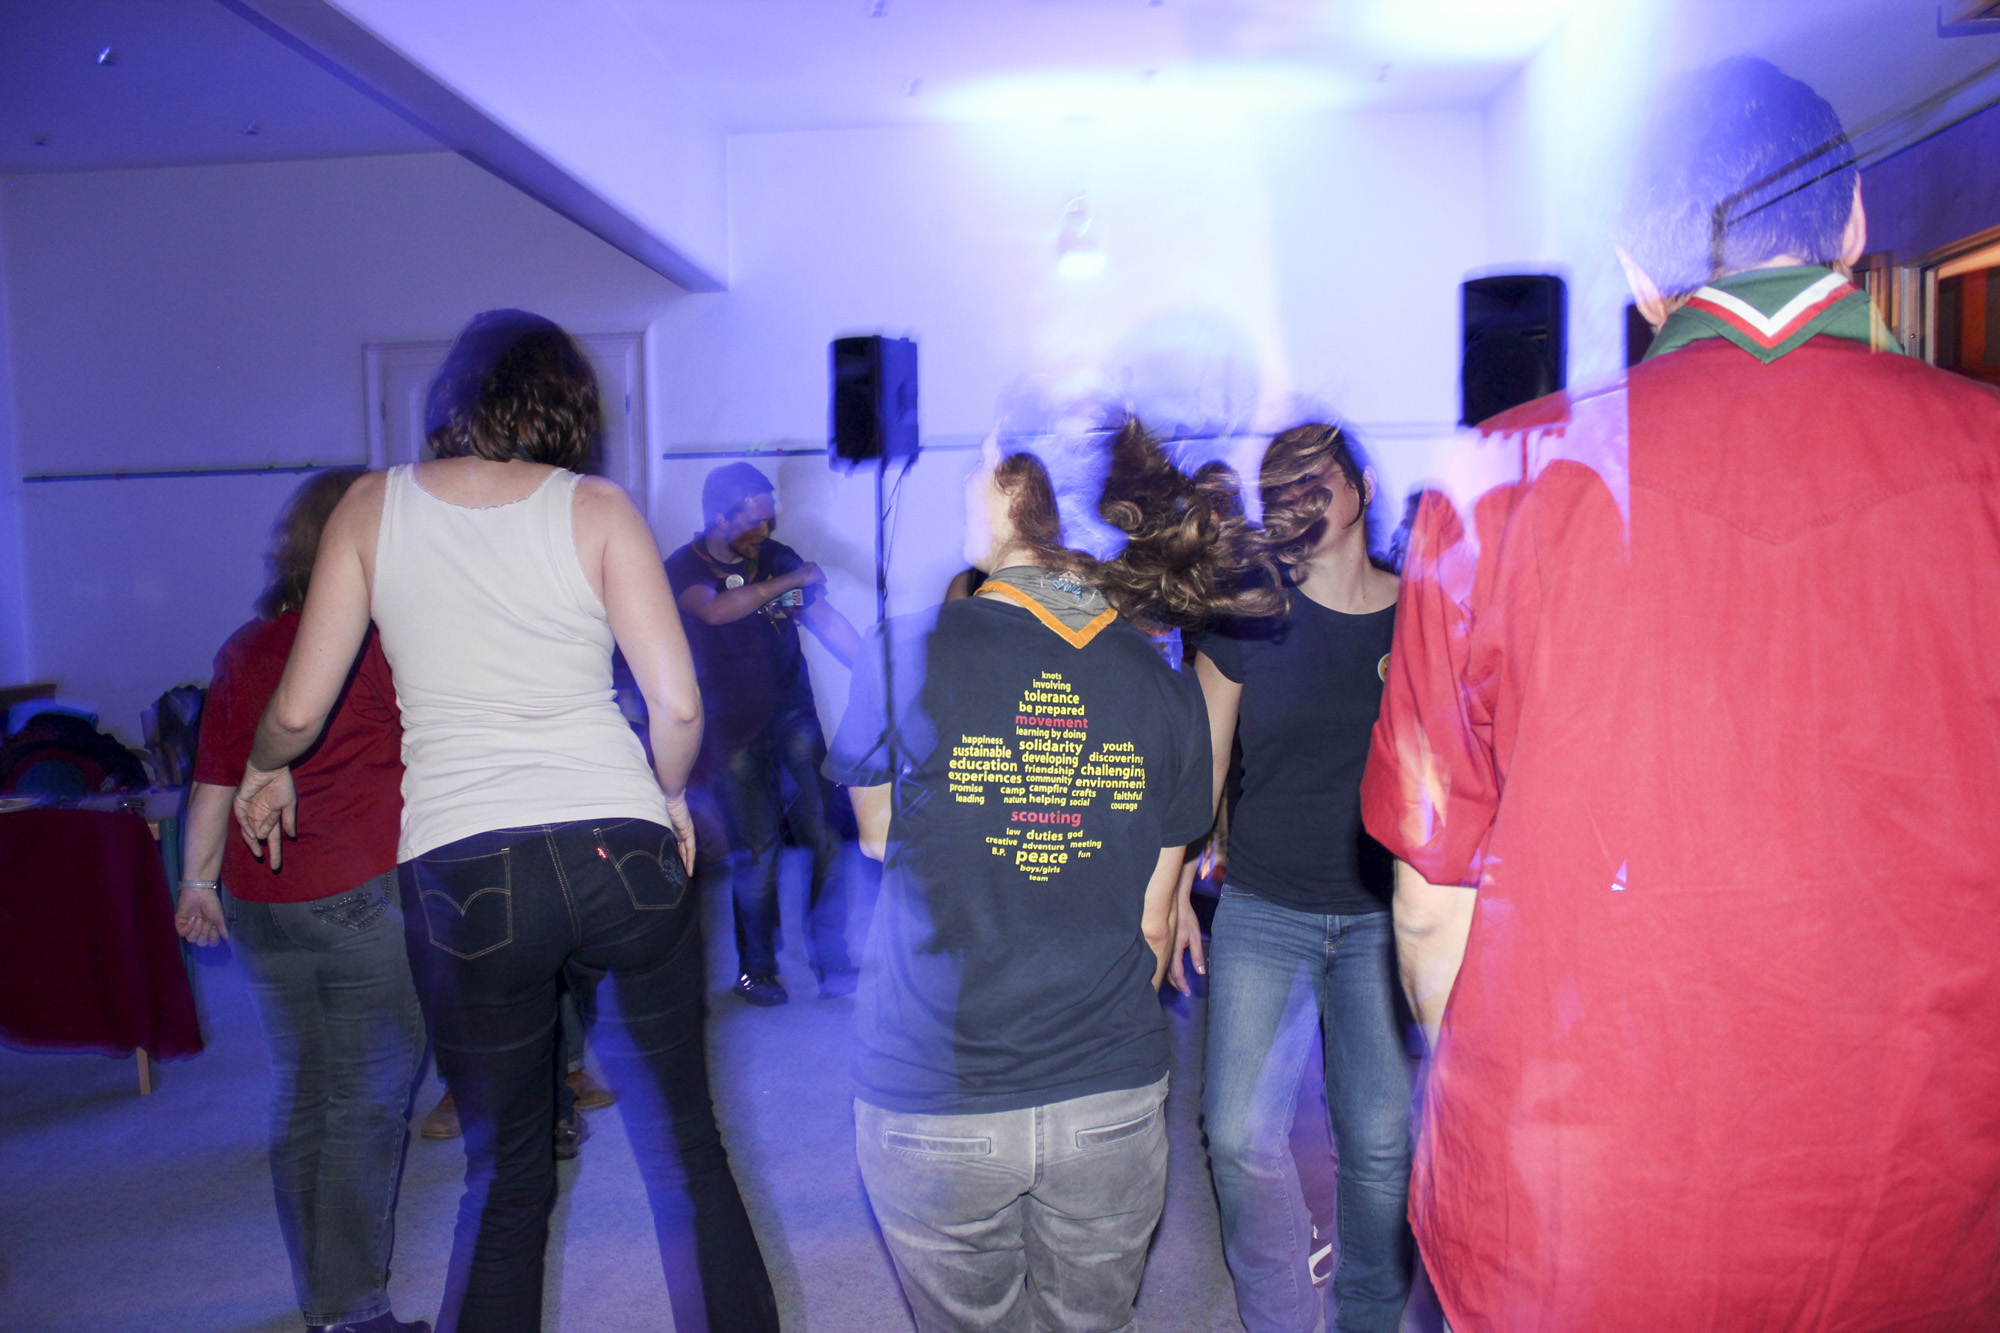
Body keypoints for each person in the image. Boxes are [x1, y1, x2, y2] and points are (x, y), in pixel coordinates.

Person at [1360, 59, 2000, 1331]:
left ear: (1635, 268)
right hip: (1922, 1205)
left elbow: (1430, 907)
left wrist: (1474, 1078)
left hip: (1585, 1222)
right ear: (1853, 221)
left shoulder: (1494, 485)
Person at [233, 310, 779, 1333]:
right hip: (620, 845)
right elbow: (676, 705)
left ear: (452, 397)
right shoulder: (598, 507)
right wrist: (667, 794)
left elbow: (298, 710)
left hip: (468, 869)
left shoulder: (369, 506)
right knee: (692, 1149)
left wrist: (264, 766)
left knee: (511, 1172)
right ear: (571, 405)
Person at [827, 419, 1278, 1332]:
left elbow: (876, 835)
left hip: (936, 1088)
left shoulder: (903, 647)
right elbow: (1156, 925)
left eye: (977, 468)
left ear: (1015, 497)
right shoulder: (1165, 686)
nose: (966, 486)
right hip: (1104, 1091)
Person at [175, 468, 429, 1333]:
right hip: (358, 892)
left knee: (310, 1092)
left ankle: (325, 1300)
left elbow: (213, 778)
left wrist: (197, 882)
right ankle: (353, 1311)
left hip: (260, 900)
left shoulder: (246, 645)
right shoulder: (378, 643)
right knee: (367, 1102)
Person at [1172, 423, 1412, 1333]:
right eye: (1280, 489)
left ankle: (1366, 1317)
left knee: (1381, 1145)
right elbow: (1200, 764)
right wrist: (1172, 887)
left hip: (1384, 917)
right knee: (1237, 1133)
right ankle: (1281, 1316)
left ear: (1362, 487)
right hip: (1266, 906)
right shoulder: (1248, 614)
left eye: (1317, 480)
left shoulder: (1421, 615)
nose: (1298, 500)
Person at [666, 462, 861, 1005]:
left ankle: (833, 959)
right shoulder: (683, 569)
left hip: (793, 714)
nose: (767, 531)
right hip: (729, 731)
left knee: (826, 837)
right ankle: (757, 970)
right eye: (755, 521)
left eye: (769, 519)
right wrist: (791, 581)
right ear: (720, 518)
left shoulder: (776, 556)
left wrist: (873, 672)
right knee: (758, 852)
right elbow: (715, 611)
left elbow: (824, 620)